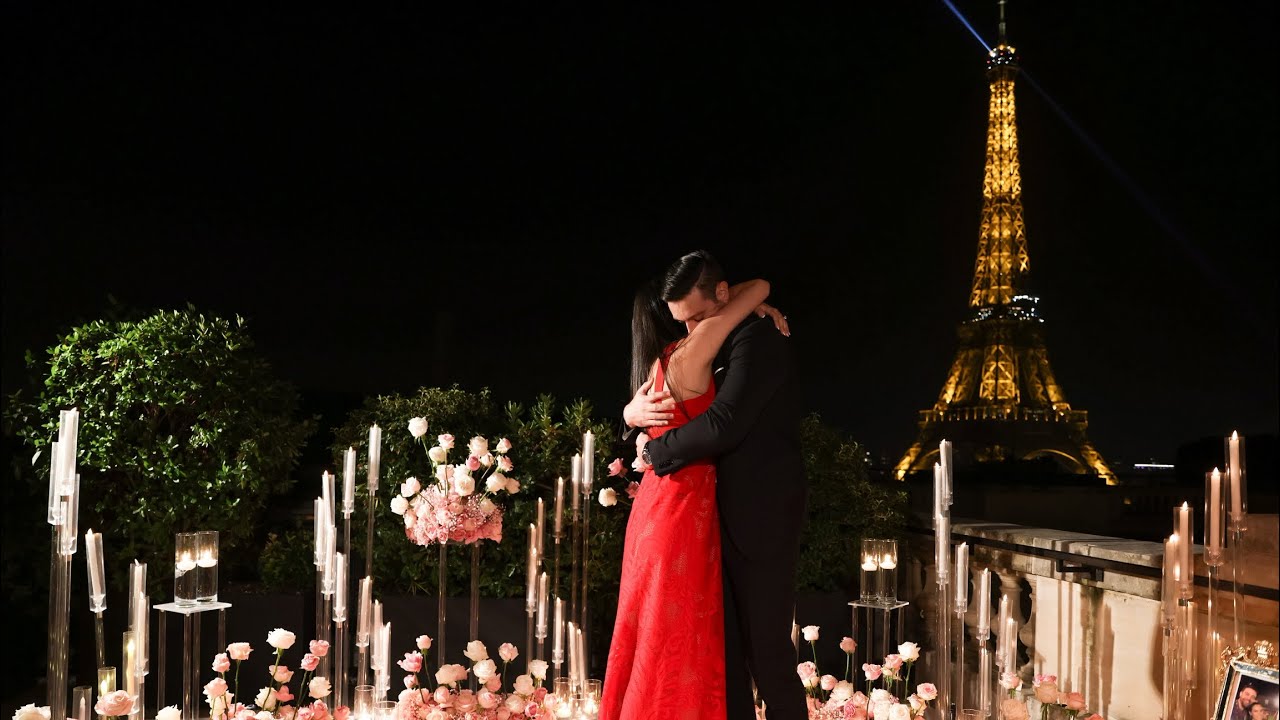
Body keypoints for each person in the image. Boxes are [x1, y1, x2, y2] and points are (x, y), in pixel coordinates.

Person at [616, 250, 808, 720]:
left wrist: (652, 451)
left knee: (767, 652)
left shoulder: (759, 336)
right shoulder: (701, 343)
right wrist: (631, 419)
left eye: (697, 317)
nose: (690, 329)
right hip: (704, 517)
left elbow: (725, 423)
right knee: (723, 656)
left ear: (723, 294)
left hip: (758, 515)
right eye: (682, 320)